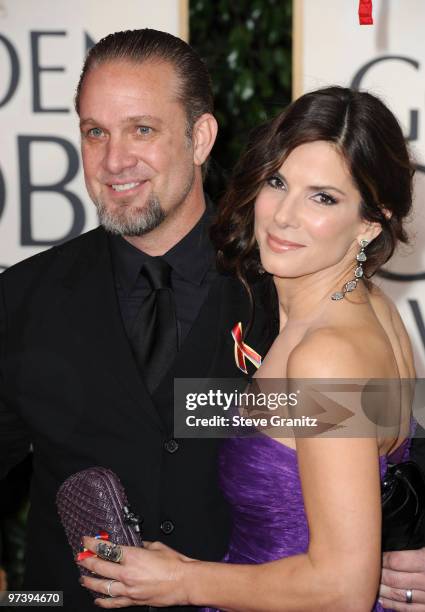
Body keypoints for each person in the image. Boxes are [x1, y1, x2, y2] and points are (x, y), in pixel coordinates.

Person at [0, 28, 423, 611]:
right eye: (95, 132)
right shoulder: (22, 297)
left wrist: (410, 541)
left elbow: (387, 436)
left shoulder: (286, 284)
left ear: (200, 138)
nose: (115, 159)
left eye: (142, 129)